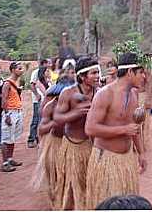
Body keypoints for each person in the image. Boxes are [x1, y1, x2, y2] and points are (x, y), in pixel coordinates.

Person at [85, 52, 147, 209]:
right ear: (129, 72)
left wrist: (141, 153)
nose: (144, 76)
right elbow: (90, 128)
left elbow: (134, 128)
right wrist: (123, 130)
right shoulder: (105, 94)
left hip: (126, 160)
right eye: (141, 72)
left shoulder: (133, 94)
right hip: (107, 159)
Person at [54, 56, 100, 210]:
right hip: (73, 147)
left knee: (92, 184)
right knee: (72, 187)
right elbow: (58, 118)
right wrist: (76, 113)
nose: (97, 76)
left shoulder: (99, 93)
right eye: (93, 73)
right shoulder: (67, 93)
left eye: (98, 72)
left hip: (92, 146)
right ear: (82, 76)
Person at [32, 77, 74, 210]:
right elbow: (42, 129)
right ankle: (56, 203)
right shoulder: (50, 106)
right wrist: (57, 122)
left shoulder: (77, 104)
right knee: (55, 177)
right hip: (55, 144)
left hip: (73, 145)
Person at [0, 61, 25, 172]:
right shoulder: (7, 83)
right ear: (13, 70)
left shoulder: (15, 82)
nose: (21, 70)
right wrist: (7, 115)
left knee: (12, 137)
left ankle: (9, 159)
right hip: (10, 112)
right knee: (6, 138)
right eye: (19, 68)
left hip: (17, 111)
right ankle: (5, 163)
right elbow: (3, 100)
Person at [28, 59, 50, 148]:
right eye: (48, 63)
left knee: (41, 119)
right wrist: (37, 95)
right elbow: (32, 85)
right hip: (38, 101)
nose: (49, 64)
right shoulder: (36, 73)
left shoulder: (47, 78)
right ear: (43, 64)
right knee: (37, 119)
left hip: (44, 101)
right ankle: (32, 138)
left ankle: (39, 139)